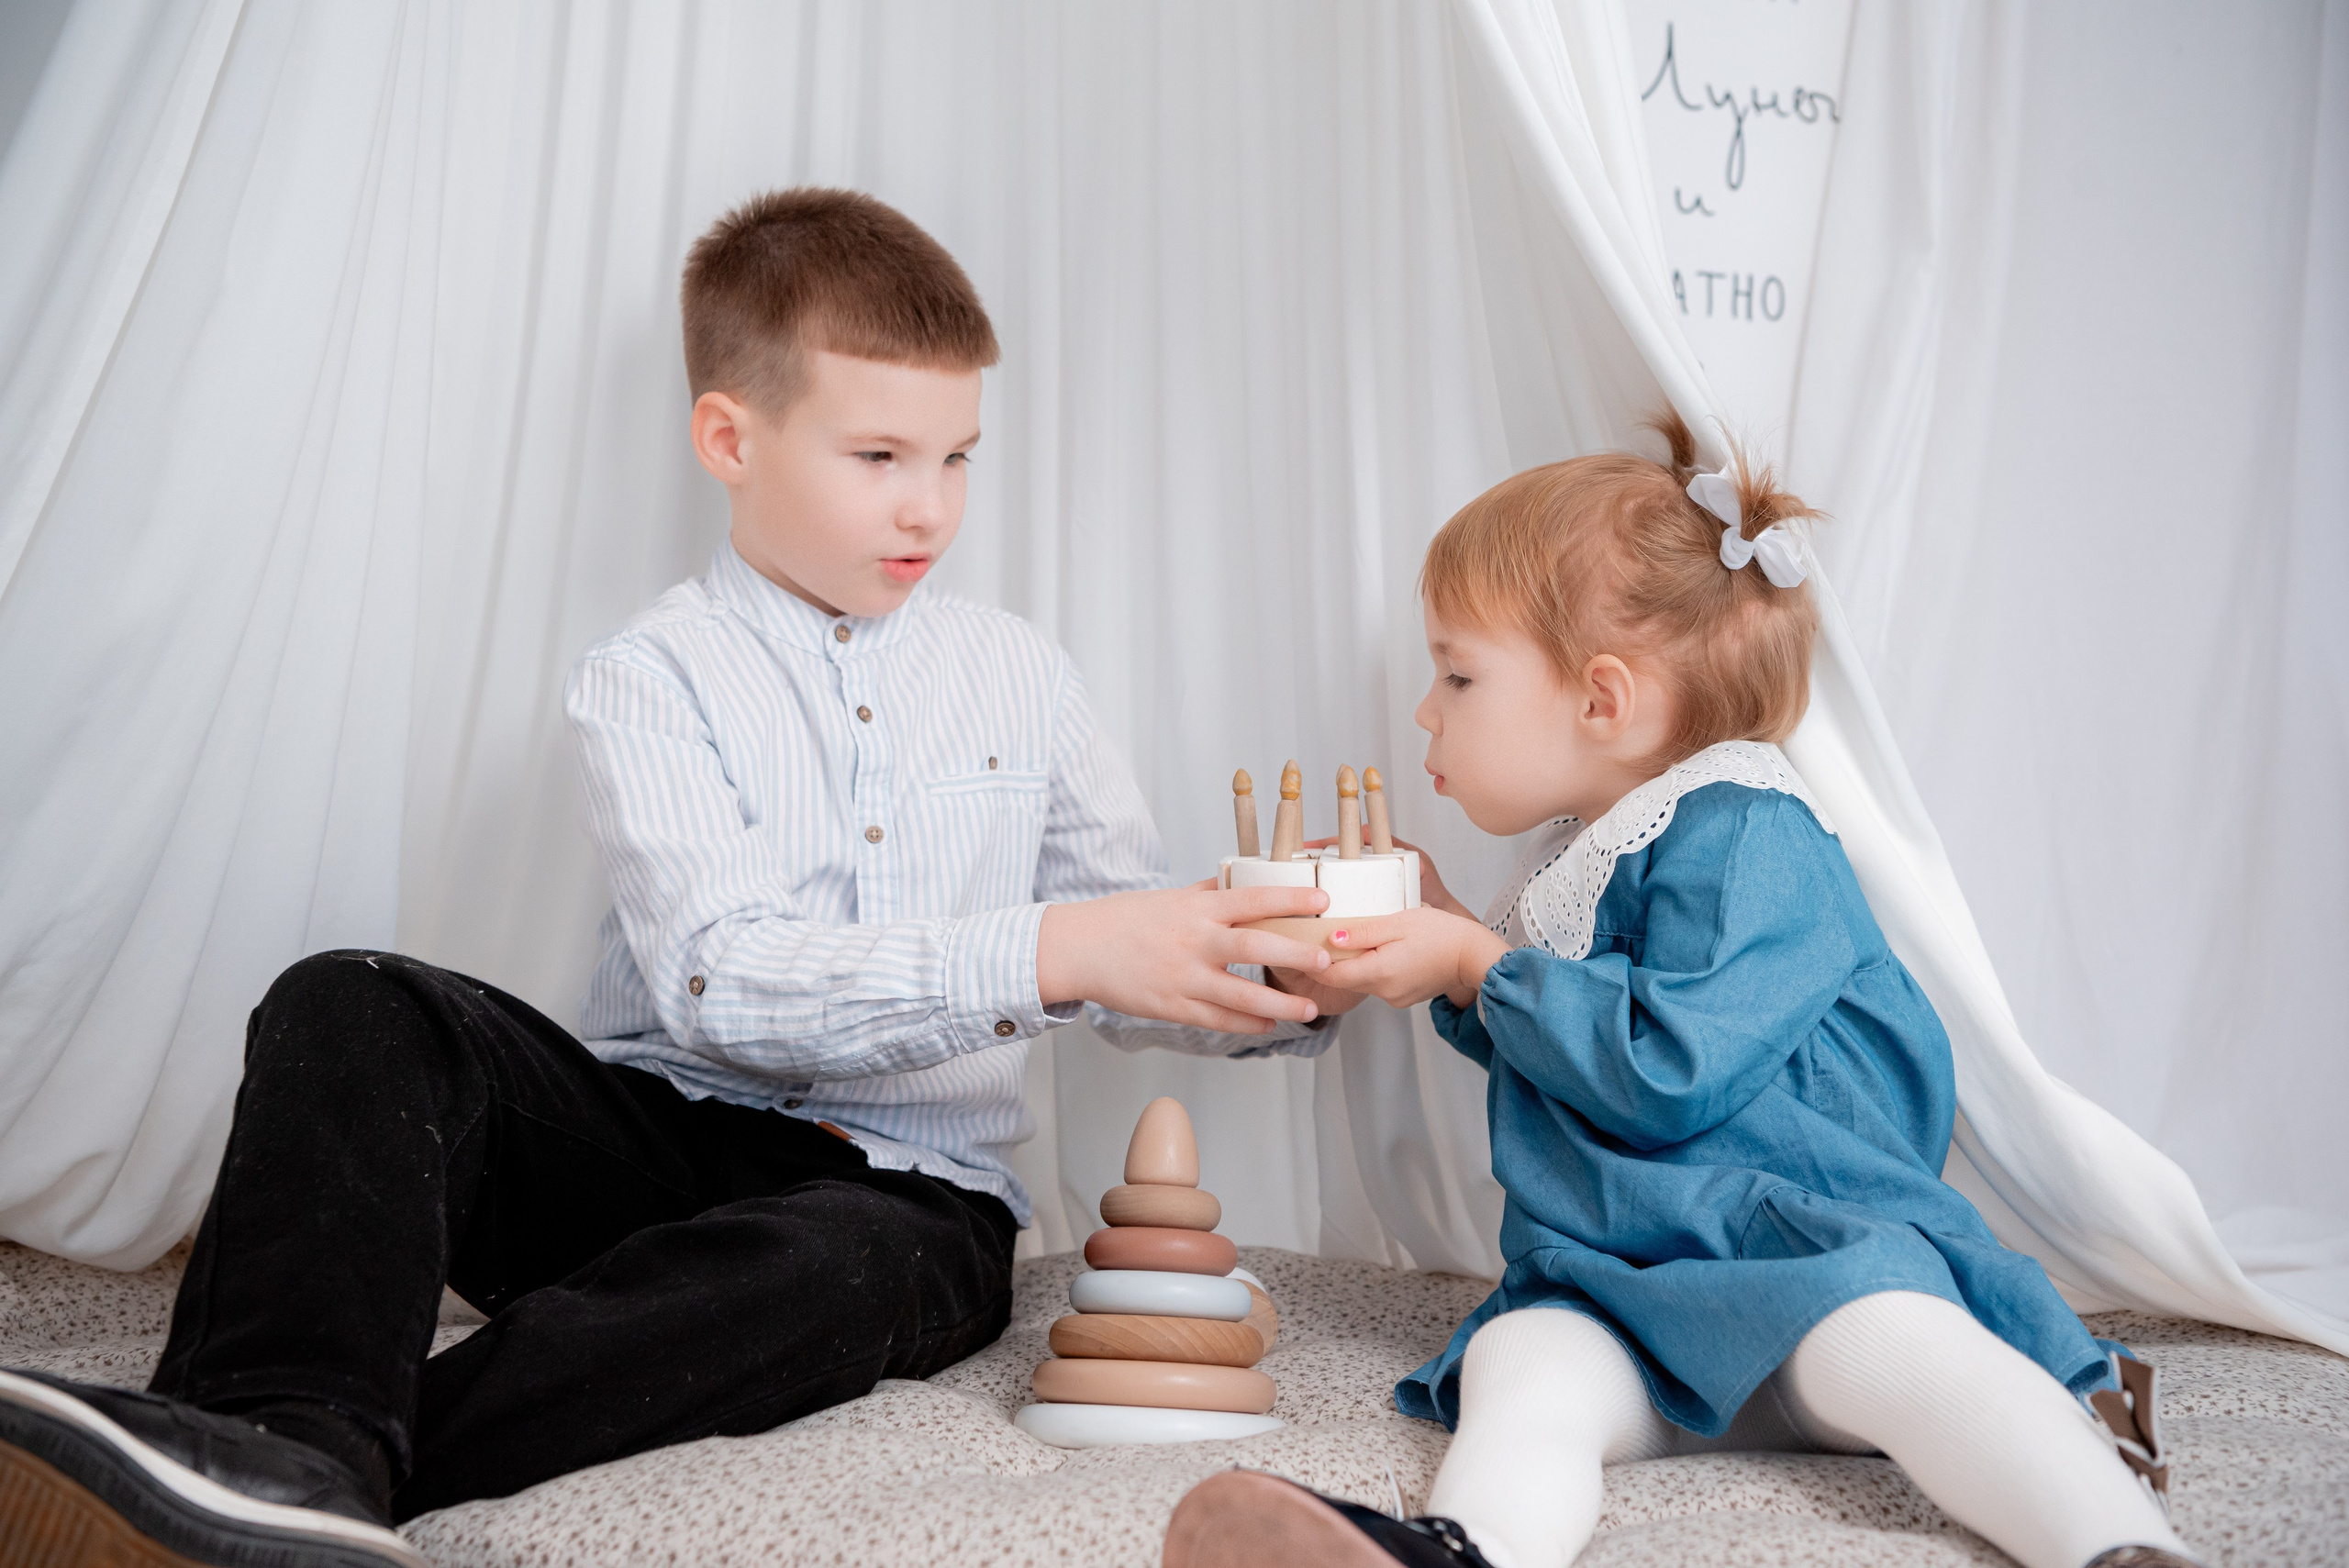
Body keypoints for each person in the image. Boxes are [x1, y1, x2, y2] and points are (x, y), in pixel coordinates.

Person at [0, 188, 1338, 1568]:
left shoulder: (1022, 676)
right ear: (729, 439)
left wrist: (1289, 965)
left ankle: (295, 1471)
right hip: (659, 1136)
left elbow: (1139, 967)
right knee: (349, 996)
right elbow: (721, 983)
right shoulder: (646, 680)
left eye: (957, 457)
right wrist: (1051, 949)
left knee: (834, 1268)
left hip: (908, 1196)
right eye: (879, 452)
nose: (928, 504)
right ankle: (271, 1433)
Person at [1169, 417, 2198, 1568]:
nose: (1424, 710)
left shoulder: (1748, 829)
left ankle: (2115, 1541)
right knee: (1526, 1370)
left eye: (1457, 674)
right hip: (1623, 1290)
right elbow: (1568, 1052)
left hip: (1798, 1262)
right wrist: (1446, 935)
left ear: (1604, 701)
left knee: (1913, 1351)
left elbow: (1666, 1069)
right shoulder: (1587, 850)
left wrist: (1472, 965)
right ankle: (1468, 1548)